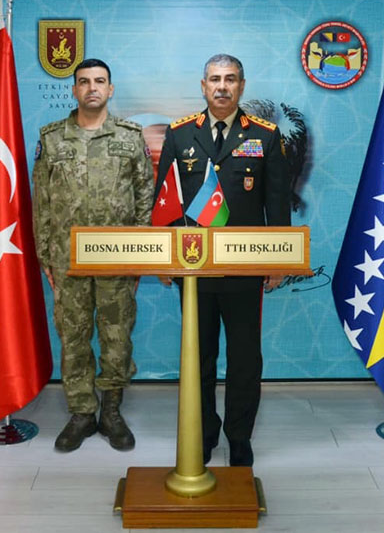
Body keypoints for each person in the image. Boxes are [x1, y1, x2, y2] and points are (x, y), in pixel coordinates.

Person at [154, 54, 291, 467]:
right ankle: (203, 433)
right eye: (215, 79)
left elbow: (276, 202)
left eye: (230, 79)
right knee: (198, 357)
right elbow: (165, 200)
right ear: (203, 86)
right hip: (193, 268)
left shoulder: (265, 136)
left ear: (242, 87)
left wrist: (278, 260)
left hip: (244, 268)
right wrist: (164, 258)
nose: (222, 86)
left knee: (245, 359)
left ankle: (239, 437)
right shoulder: (180, 134)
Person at [32, 58, 154, 452]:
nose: (92, 88)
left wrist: (139, 252)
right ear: (74, 90)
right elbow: (41, 201)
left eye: (99, 81)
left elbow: (145, 196)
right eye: (84, 82)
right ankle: (82, 412)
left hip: (117, 257)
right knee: (74, 336)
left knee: (116, 335)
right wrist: (45, 256)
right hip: (67, 259)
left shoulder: (130, 137)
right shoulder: (53, 139)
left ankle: (112, 411)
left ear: (110, 89)